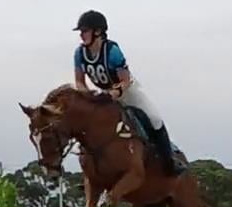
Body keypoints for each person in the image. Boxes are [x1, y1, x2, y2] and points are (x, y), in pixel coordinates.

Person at [72, 10, 185, 175]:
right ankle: (92, 171)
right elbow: (79, 82)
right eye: (81, 32)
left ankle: (170, 161)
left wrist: (114, 93)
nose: (81, 35)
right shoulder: (79, 53)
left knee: (155, 119)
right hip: (104, 94)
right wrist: (89, 96)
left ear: (97, 31)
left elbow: (125, 81)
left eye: (84, 31)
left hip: (128, 92)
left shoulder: (112, 51)